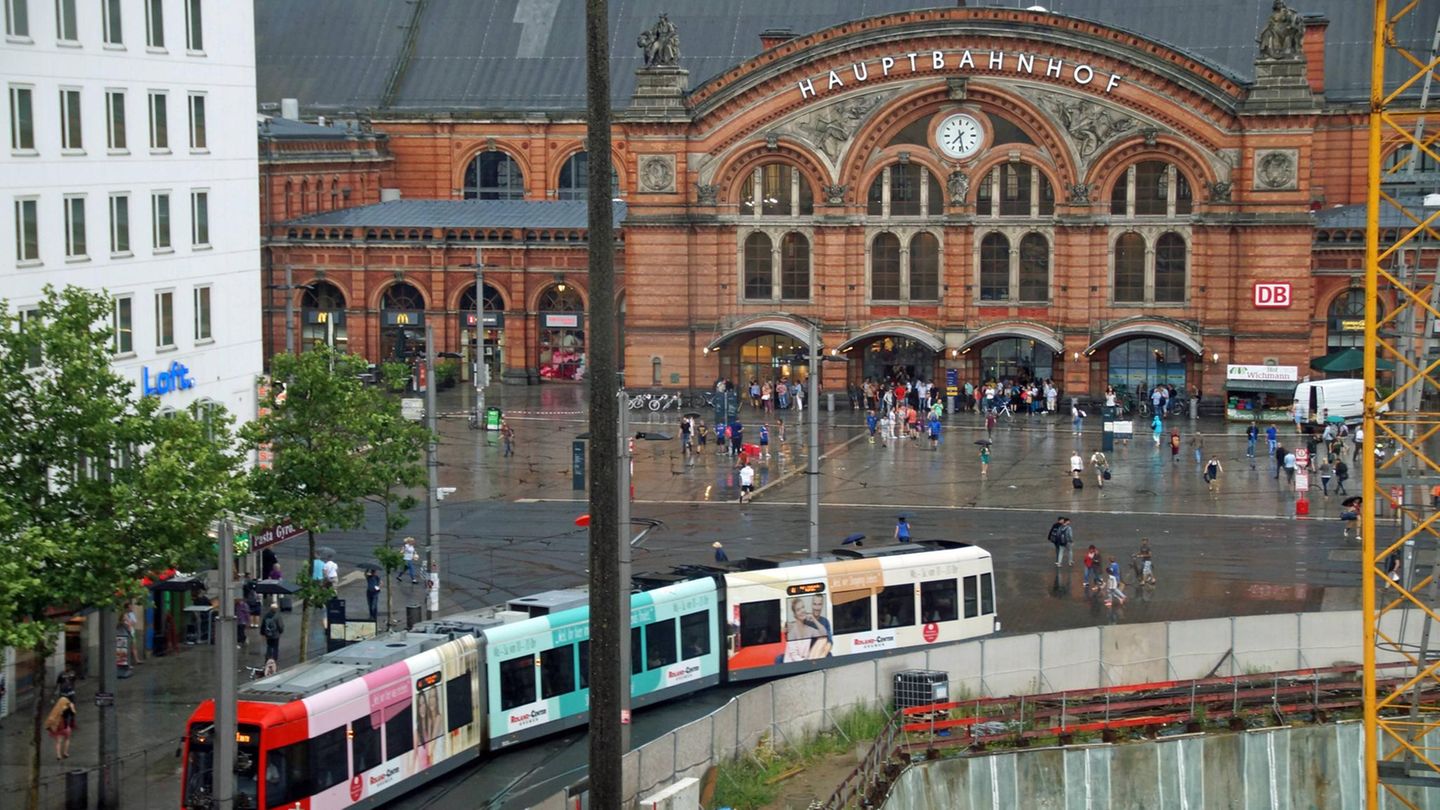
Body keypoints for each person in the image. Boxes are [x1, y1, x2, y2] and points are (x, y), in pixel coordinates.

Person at [781, 595, 833, 662]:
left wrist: (813, 619)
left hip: (806, 662)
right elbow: (794, 655)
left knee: (823, 639)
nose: (802, 610)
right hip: (792, 664)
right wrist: (806, 662)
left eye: (803, 607)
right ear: (795, 614)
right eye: (798, 610)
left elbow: (824, 634)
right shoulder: (791, 628)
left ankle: (818, 663)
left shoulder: (809, 629)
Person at [45, 692, 76, 760]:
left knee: (58, 741)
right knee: (67, 739)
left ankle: (58, 755)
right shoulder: (69, 707)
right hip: (65, 726)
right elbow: (73, 714)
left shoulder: (57, 708)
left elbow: (52, 717)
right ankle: (65, 753)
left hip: (57, 727)